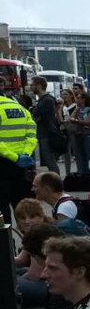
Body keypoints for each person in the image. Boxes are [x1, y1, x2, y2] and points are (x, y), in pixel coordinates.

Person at [0, 88, 38, 220]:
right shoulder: (19, 108)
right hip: (23, 165)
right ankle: (32, 238)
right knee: (24, 208)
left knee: (2, 210)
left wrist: (14, 157)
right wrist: (25, 154)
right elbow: (32, 134)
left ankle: (6, 240)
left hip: (3, 164)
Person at [31, 76, 61, 173]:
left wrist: (35, 113)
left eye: (32, 85)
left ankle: (56, 184)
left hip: (47, 134)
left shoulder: (47, 100)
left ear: (39, 86)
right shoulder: (44, 99)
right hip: (44, 133)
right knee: (49, 162)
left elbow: (35, 115)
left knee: (50, 161)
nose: (30, 87)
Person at [68, 92, 90, 175]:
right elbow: (71, 119)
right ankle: (85, 175)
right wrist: (76, 109)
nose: (77, 100)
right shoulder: (77, 109)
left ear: (83, 99)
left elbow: (88, 122)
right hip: (78, 134)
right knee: (81, 156)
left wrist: (77, 121)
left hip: (88, 134)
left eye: (78, 98)